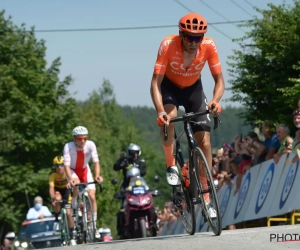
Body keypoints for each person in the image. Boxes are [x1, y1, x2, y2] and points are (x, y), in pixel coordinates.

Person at [150, 12, 225, 218]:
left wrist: (215, 101)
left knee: (206, 143)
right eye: (190, 37)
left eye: (198, 38)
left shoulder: (209, 46)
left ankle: (206, 195)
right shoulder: (167, 45)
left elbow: (219, 81)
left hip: (193, 90)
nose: (194, 42)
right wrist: (160, 111)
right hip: (169, 88)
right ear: (181, 34)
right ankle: (170, 165)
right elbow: (155, 83)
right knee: (171, 117)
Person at [64, 126, 104, 238]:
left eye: (84, 138)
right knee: (76, 183)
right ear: (74, 139)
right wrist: (70, 178)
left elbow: (96, 162)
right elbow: (66, 165)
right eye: (79, 139)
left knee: (92, 195)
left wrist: (97, 176)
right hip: (72, 171)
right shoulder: (68, 146)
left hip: (85, 170)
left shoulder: (91, 145)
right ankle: (75, 204)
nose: (82, 141)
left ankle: (93, 225)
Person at [113, 143, 147, 238]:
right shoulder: (126, 160)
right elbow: (115, 167)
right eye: (131, 153)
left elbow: (144, 172)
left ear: (138, 153)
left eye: (135, 153)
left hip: (139, 185)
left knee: (148, 199)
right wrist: (121, 161)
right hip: (127, 186)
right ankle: (121, 230)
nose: (133, 155)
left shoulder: (141, 161)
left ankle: (152, 224)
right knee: (122, 209)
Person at [49, 155, 74, 237]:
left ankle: (71, 232)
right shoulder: (53, 175)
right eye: (57, 166)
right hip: (58, 191)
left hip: (67, 190)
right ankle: (56, 218)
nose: (59, 168)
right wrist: (53, 198)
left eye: (62, 165)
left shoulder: (68, 172)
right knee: (56, 199)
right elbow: (51, 188)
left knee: (68, 213)